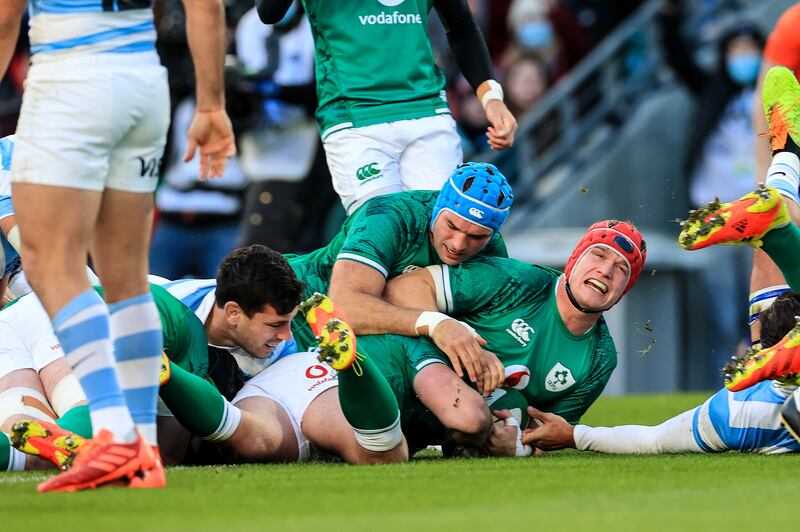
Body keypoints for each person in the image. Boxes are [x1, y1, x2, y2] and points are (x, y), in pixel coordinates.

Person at [0, 0, 235, 492]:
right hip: (143, 83)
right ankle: (140, 450)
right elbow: (207, 6)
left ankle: (116, 436)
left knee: (46, 263)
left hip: (68, 78)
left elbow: (5, 17)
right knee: (125, 275)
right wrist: (212, 104)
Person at [383, 219, 646, 434]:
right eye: (597, 255)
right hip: (403, 381)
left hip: (456, 422)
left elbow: (549, 430)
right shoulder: (516, 280)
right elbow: (404, 288)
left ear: (624, 291)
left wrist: (519, 445)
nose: (605, 271)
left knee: (514, 408)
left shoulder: (601, 358)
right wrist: (447, 329)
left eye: (621, 269)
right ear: (574, 261)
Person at [256, 0, 517, 212]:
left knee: (440, 235)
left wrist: (490, 97)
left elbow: (462, 27)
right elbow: (269, 12)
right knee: (384, 237)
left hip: (427, 114)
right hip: (354, 119)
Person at [288, 162, 513, 393]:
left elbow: (490, 323)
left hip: (363, 343)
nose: (458, 244)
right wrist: (435, 324)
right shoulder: (389, 215)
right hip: (294, 309)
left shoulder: (492, 248)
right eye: (451, 226)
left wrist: (477, 351)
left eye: (476, 237)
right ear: (438, 208)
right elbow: (345, 308)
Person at [749, 4, 800, 345]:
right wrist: (763, 175)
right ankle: (763, 362)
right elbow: (762, 105)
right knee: (772, 234)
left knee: (773, 232)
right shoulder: (795, 24)